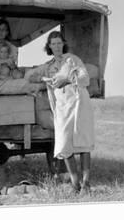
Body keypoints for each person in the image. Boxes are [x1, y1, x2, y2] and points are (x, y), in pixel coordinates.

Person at [28, 31, 95, 194]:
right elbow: (29, 76)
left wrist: (67, 79)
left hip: (79, 102)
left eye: (59, 43)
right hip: (63, 106)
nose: (57, 46)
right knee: (64, 144)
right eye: (53, 44)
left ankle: (86, 184)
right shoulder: (48, 66)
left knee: (83, 141)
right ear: (49, 46)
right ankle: (75, 182)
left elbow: (85, 79)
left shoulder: (72, 59)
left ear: (63, 44)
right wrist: (44, 80)